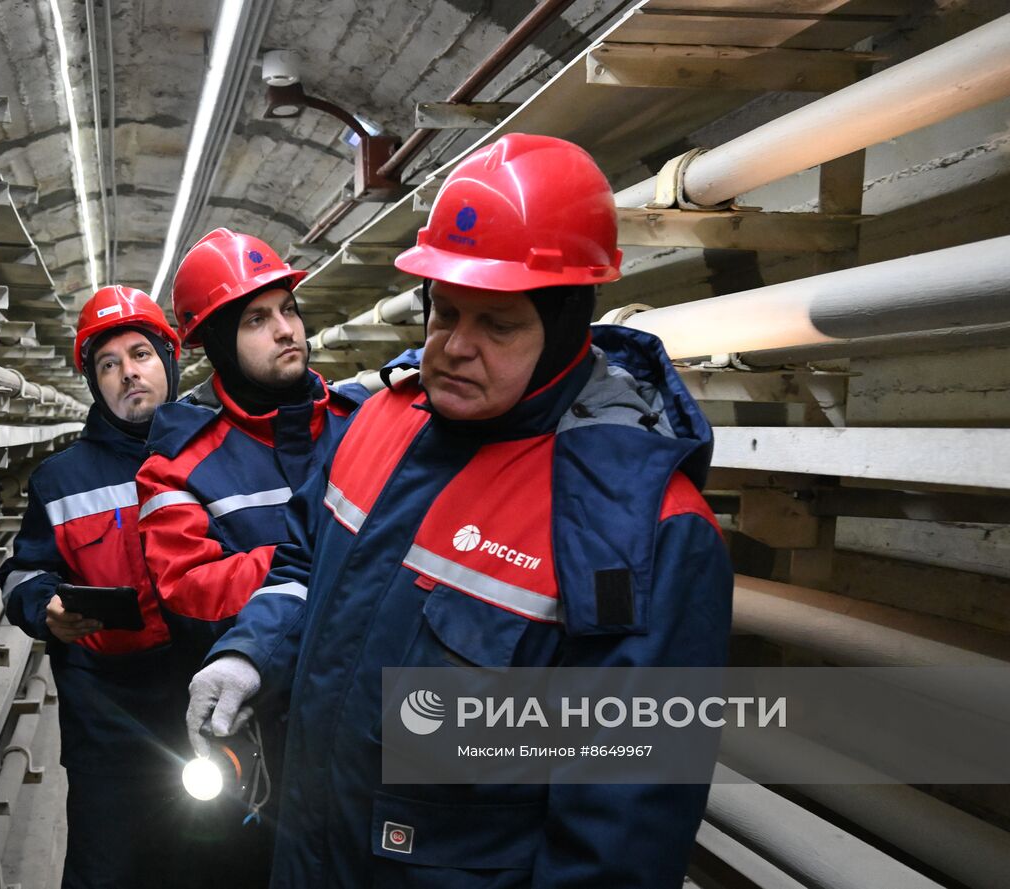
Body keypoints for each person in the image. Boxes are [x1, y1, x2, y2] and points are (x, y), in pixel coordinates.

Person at [187, 134, 734, 888]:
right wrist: (253, 649)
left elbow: (620, 836)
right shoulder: (379, 422)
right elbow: (304, 564)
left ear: (566, 324)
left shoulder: (643, 532)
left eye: (498, 324)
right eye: (444, 312)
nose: (453, 348)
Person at [135, 229, 365, 881]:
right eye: (257, 320)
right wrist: (327, 560)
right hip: (260, 732)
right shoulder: (177, 466)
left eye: (288, 308)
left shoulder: (363, 425)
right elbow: (193, 592)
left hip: (368, 718)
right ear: (215, 346)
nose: (285, 329)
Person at [0, 284, 183, 889]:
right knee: (109, 868)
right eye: (108, 364)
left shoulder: (217, 448)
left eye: (141, 354)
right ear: (94, 383)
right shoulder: (60, 478)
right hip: (109, 718)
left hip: (205, 698)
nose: (128, 373)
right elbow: (23, 569)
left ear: (169, 361)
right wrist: (42, 603)